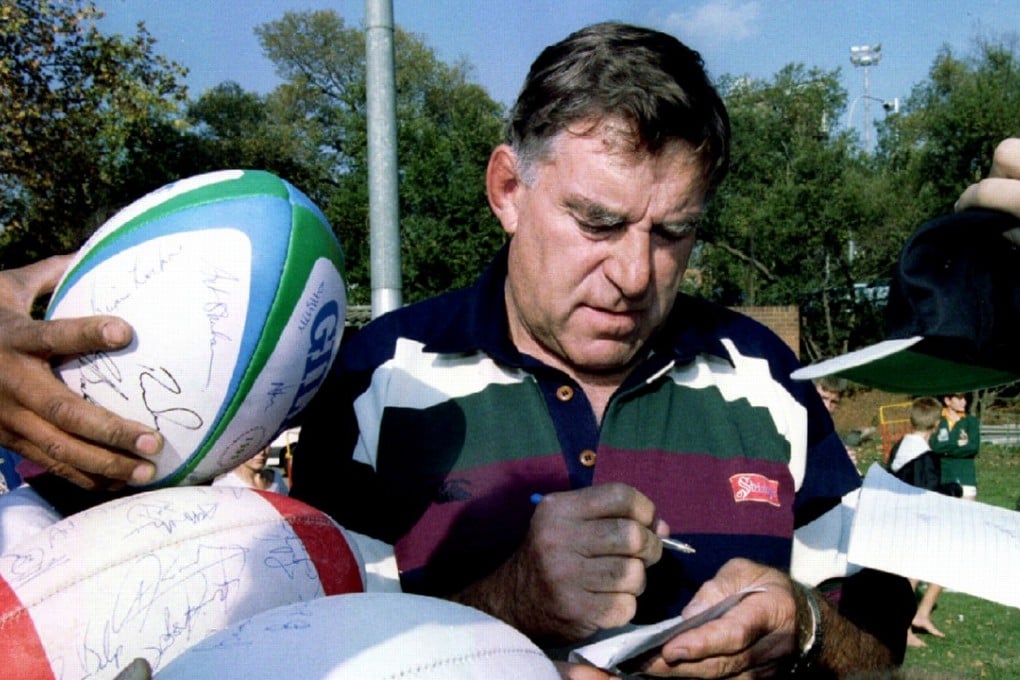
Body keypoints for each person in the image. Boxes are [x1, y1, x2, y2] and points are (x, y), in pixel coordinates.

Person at [0, 24, 1017, 679]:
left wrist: (795, 621)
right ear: (505, 189)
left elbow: (873, 651)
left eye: (673, 234)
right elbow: (284, 642)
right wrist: (508, 600)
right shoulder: (371, 379)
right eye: (596, 220)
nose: (632, 273)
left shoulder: (767, 378)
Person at [886, 396, 951, 648]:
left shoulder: (901, 445)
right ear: (936, 424)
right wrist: (953, 491)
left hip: (898, 517)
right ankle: (902, 628)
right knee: (911, 575)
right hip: (914, 522)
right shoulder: (924, 456)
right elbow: (928, 494)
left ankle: (917, 616)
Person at [930, 393, 981, 500]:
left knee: (967, 514)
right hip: (942, 478)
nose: (964, 402)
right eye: (959, 398)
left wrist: (945, 450)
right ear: (947, 401)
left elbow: (973, 448)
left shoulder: (970, 421)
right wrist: (957, 443)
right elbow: (935, 447)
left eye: (965, 398)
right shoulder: (937, 420)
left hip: (965, 477)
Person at [211, 445, 289, 494]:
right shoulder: (224, 484)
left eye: (265, 445)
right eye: (255, 446)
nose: (262, 452)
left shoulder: (276, 478)